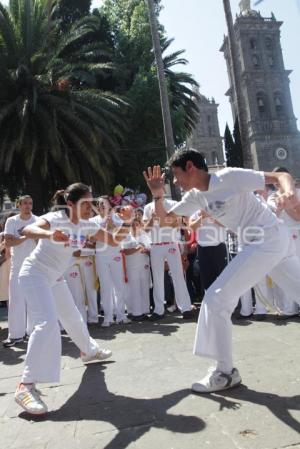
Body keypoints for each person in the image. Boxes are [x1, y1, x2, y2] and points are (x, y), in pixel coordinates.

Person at [143, 149, 300, 393]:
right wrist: (156, 195)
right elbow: (166, 219)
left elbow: (280, 177)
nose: (175, 182)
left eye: (176, 175)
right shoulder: (195, 197)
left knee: (216, 298)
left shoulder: (230, 176)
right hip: (264, 243)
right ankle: (224, 370)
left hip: (269, 238)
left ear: (191, 168)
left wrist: (289, 193)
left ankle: (225, 372)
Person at [15, 183, 133, 415]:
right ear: (71, 204)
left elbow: (113, 240)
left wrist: (127, 222)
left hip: (54, 277)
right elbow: (28, 231)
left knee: (72, 317)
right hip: (34, 274)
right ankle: (25, 386)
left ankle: (88, 351)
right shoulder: (56, 217)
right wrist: (50, 234)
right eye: (86, 203)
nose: (91, 206)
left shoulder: (88, 225)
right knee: (47, 324)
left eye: (92, 202)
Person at [143, 198, 193, 320]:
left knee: (178, 276)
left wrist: (168, 221)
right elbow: (145, 228)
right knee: (158, 278)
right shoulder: (148, 207)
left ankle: (185, 308)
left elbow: (183, 222)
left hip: (171, 243)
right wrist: (153, 219)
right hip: (155, 246)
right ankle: (159, 310)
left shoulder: (173, 204)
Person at [3, 197, 37, 347]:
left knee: (33, 301)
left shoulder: (38, 220)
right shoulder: (12, 221)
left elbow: (42, 241)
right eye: (25, 203)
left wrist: (35, 238)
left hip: (34, 266)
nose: (28, 206)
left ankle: (32, 333)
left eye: (30, 203)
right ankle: (16, 335)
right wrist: (25, 236)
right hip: (17, 266)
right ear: (19, 205)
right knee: (16, 300)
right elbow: (8, 242)